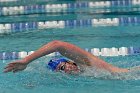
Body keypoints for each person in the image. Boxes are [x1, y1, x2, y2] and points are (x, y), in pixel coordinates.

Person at [4, 40, 129, 74]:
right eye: (61, 70)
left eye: (64, 66)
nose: (66, 70)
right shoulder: (85, 74)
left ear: (70, 61)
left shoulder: (87, 64)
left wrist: (26, 60)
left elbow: (57, 44)